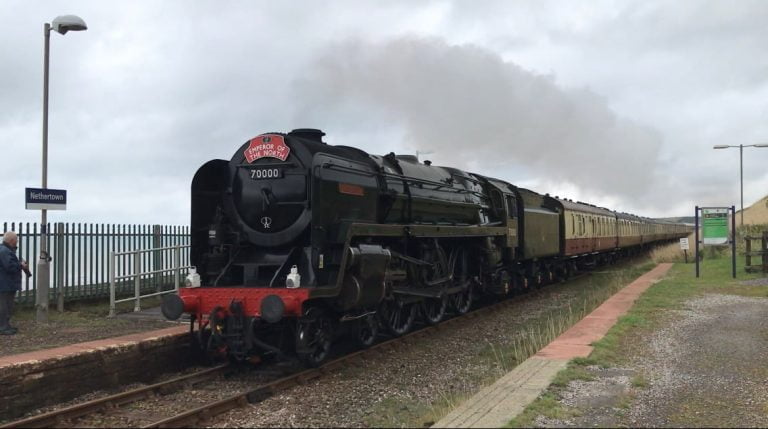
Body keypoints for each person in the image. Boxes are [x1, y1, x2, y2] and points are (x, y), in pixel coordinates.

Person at [0, 231, 26, 335]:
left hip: (7, 283)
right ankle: (3, 327)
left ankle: (6, 325)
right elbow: (9, 267)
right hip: (5, 283)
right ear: (12, 241)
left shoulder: (5, 250)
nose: (17, 242)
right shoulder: (5, 251)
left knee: (7, 305)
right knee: (4, 306)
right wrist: (21, 265)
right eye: (16, 240)